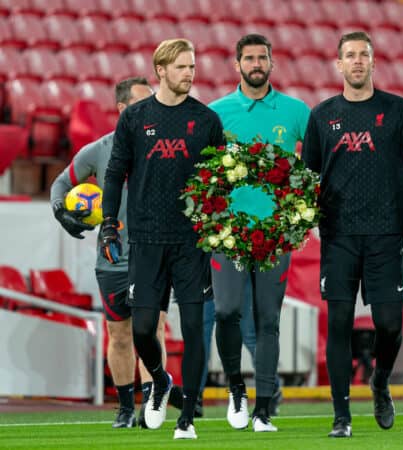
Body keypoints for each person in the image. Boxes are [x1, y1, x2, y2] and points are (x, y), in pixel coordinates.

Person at [301, 31, 403, 438]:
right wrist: (298, 215)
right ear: (338, 65)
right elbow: (306, 177)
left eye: (364, 55)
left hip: (388, 235)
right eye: (350, 55)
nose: (357, 61)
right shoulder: (322, 116)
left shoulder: (398, 111)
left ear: (373, 63)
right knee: (339, 322)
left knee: (389, 324)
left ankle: (379, 381)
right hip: (339, 235)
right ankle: (341, 417)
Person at [101, 39, 224, 440]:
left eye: (193, 66)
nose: (190, 73)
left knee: (193, 328)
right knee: (141, 330)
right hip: (147, 240)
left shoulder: (206, 120)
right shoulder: (135, 119)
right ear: (161, 70)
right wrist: (107, 223)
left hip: (191, 243)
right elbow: (115, 173)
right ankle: (160, 379)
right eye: (182, 67)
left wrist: (219, 220)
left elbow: (219, 180)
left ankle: (186, 417)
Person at [50, 77, 184, 429]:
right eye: (142, 103)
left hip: (154, 256)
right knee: (120, 335)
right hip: (112, 259)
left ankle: (152, 403)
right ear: (123, 110)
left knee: (152, 330)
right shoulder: (98, 150)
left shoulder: (167, 146)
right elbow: (62, 184)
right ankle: (125, 407)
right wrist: (61, 212)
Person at [207, 33, 310, 432]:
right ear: (237, 65)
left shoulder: (297, 111)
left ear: (272, 62)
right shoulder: (216, 113)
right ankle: (236, 388)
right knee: (226, 312)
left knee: (269, 320)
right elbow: (204, 172)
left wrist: (301, 216)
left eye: (262, 57)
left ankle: (264, 408)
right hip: (229, 235)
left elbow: (315, 167)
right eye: (248, 58)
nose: (255, 63)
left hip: (276, 236)